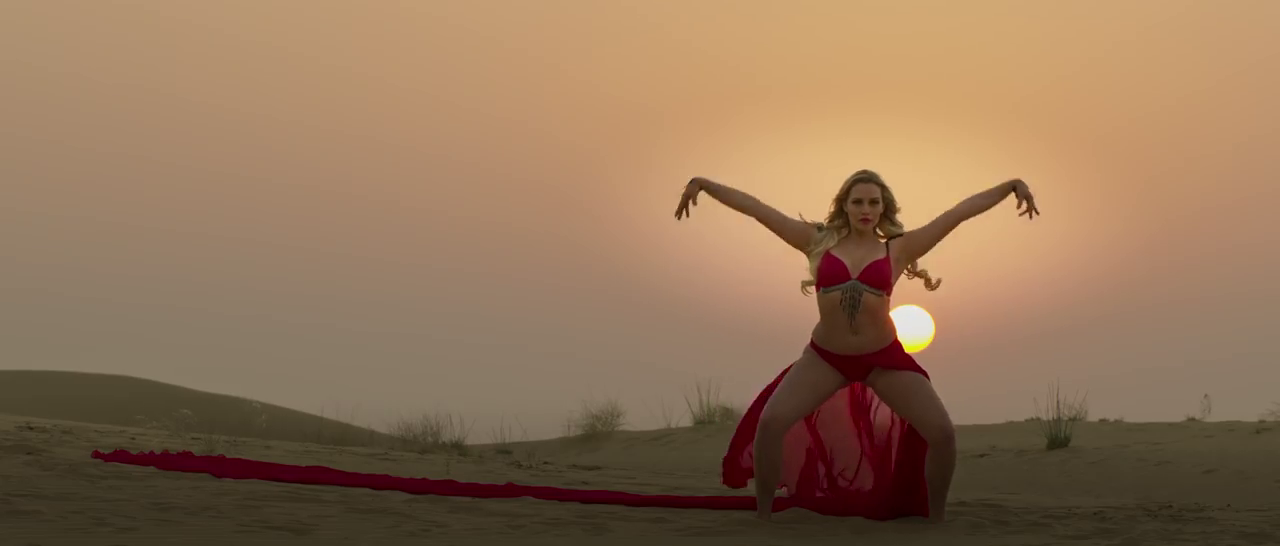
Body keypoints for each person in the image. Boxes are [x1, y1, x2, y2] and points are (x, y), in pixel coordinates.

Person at [673, 170, 1039, 522]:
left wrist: (1010, 186)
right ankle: (764, 517)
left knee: (942, 434)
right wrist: (703, 185)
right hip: (826, 358)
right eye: (858, 202)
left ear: (883, 207)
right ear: (844, 205)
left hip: (883, 358)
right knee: (770, 424)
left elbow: (957, 214)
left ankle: (936, 520)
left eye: (873, 203)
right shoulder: (817, 241)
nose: (866, 210)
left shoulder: (899, 248)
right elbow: (758, 209)